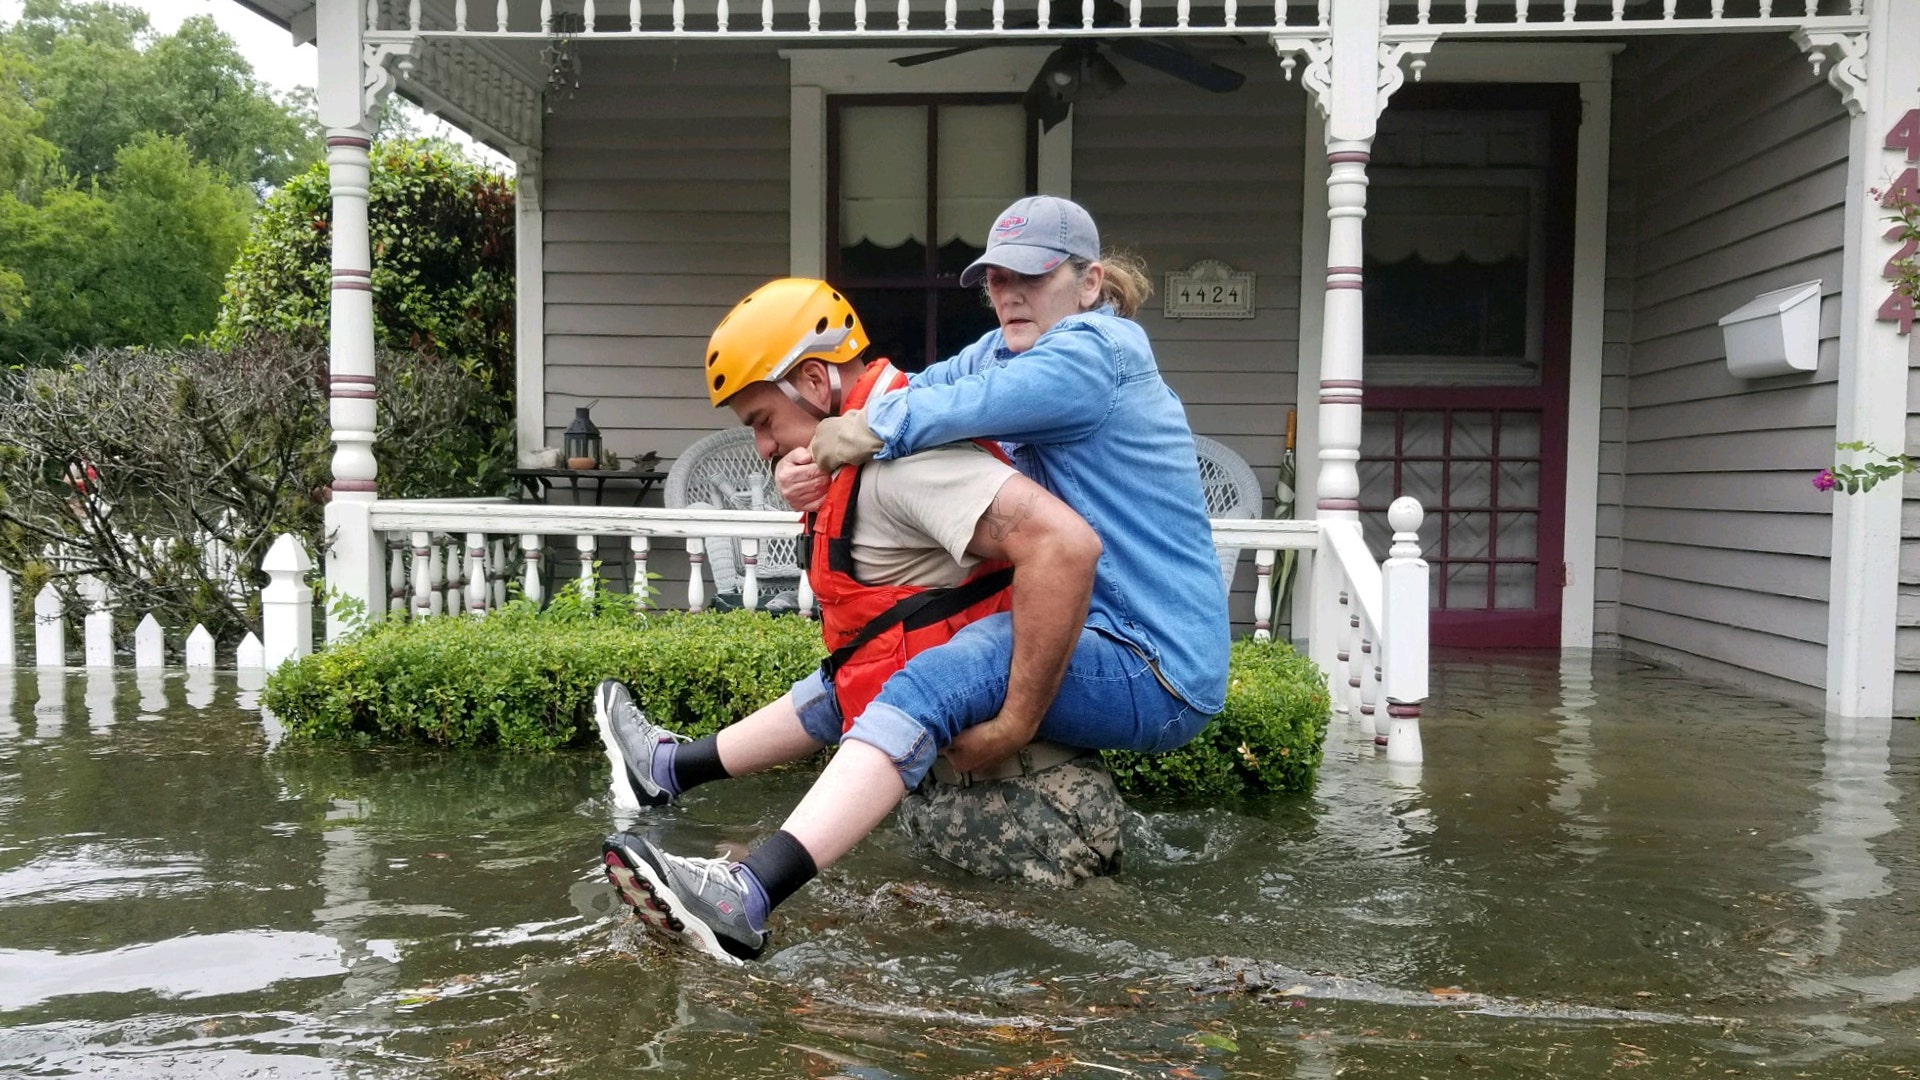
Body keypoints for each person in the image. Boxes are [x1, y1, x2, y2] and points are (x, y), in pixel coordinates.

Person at [599, 277, 1112, 963]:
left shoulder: (915, 463)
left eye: (760, 421)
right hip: (974, 802)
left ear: (815, 381)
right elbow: (874, 654)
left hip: (1034, 818)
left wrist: (1015, 719)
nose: (760, 446)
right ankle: (668, 770)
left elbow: (1061, 544)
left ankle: (741, 889)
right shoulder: (865, 455)